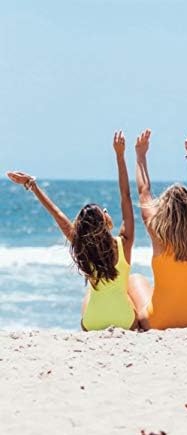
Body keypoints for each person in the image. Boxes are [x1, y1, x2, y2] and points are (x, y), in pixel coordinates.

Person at [6, 131, 138, 331]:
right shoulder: (125, 242)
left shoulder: (82, 246)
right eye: (103, 212)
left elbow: (56, 213)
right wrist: (120, 156)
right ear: (105, 223)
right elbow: (125, 196)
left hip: (92, 323)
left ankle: (99, 315)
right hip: (125, 321)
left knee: (90, 293)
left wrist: (32, 185)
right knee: (132, 286)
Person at [128, 129, 187, 330]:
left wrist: (140, 156)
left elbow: (144, 191)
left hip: (158, 321)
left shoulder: (157, 233)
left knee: (134, 280)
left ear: (163, 209)